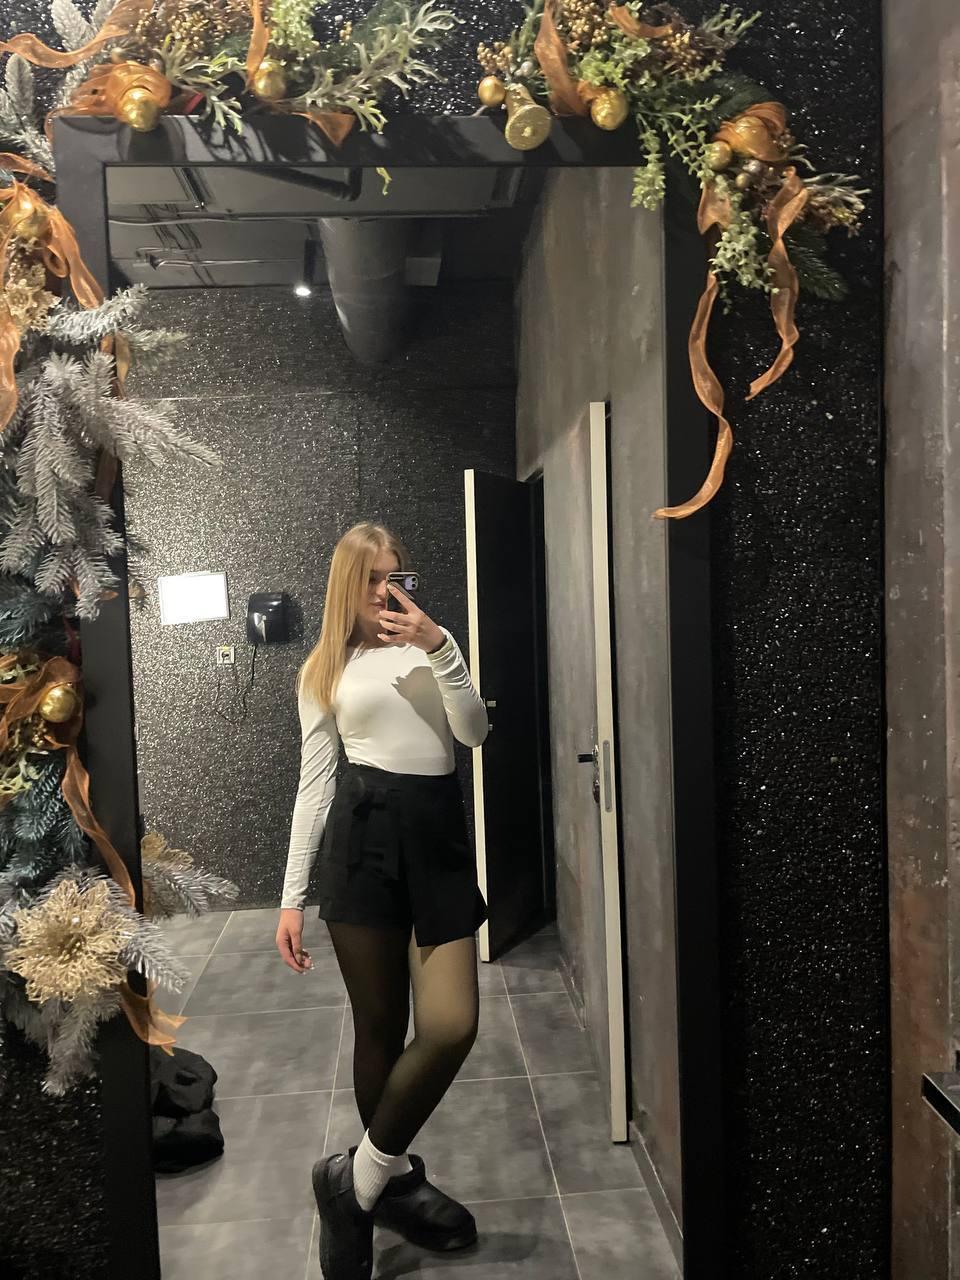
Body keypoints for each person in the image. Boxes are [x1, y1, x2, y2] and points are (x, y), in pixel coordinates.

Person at [276, 521, 489, 1280]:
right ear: (347, 584)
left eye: (395, 575)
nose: (385, 591)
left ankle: (355, 1183)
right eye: (370, 578)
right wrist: (291, 898)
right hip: (362, 845)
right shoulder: (324, 669)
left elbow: (473, 732)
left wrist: (440, 646)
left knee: (451, 1024)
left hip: (434, 842)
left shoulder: (432, 645)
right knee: (379, 1027)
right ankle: (392, 1183)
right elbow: (313, 788)